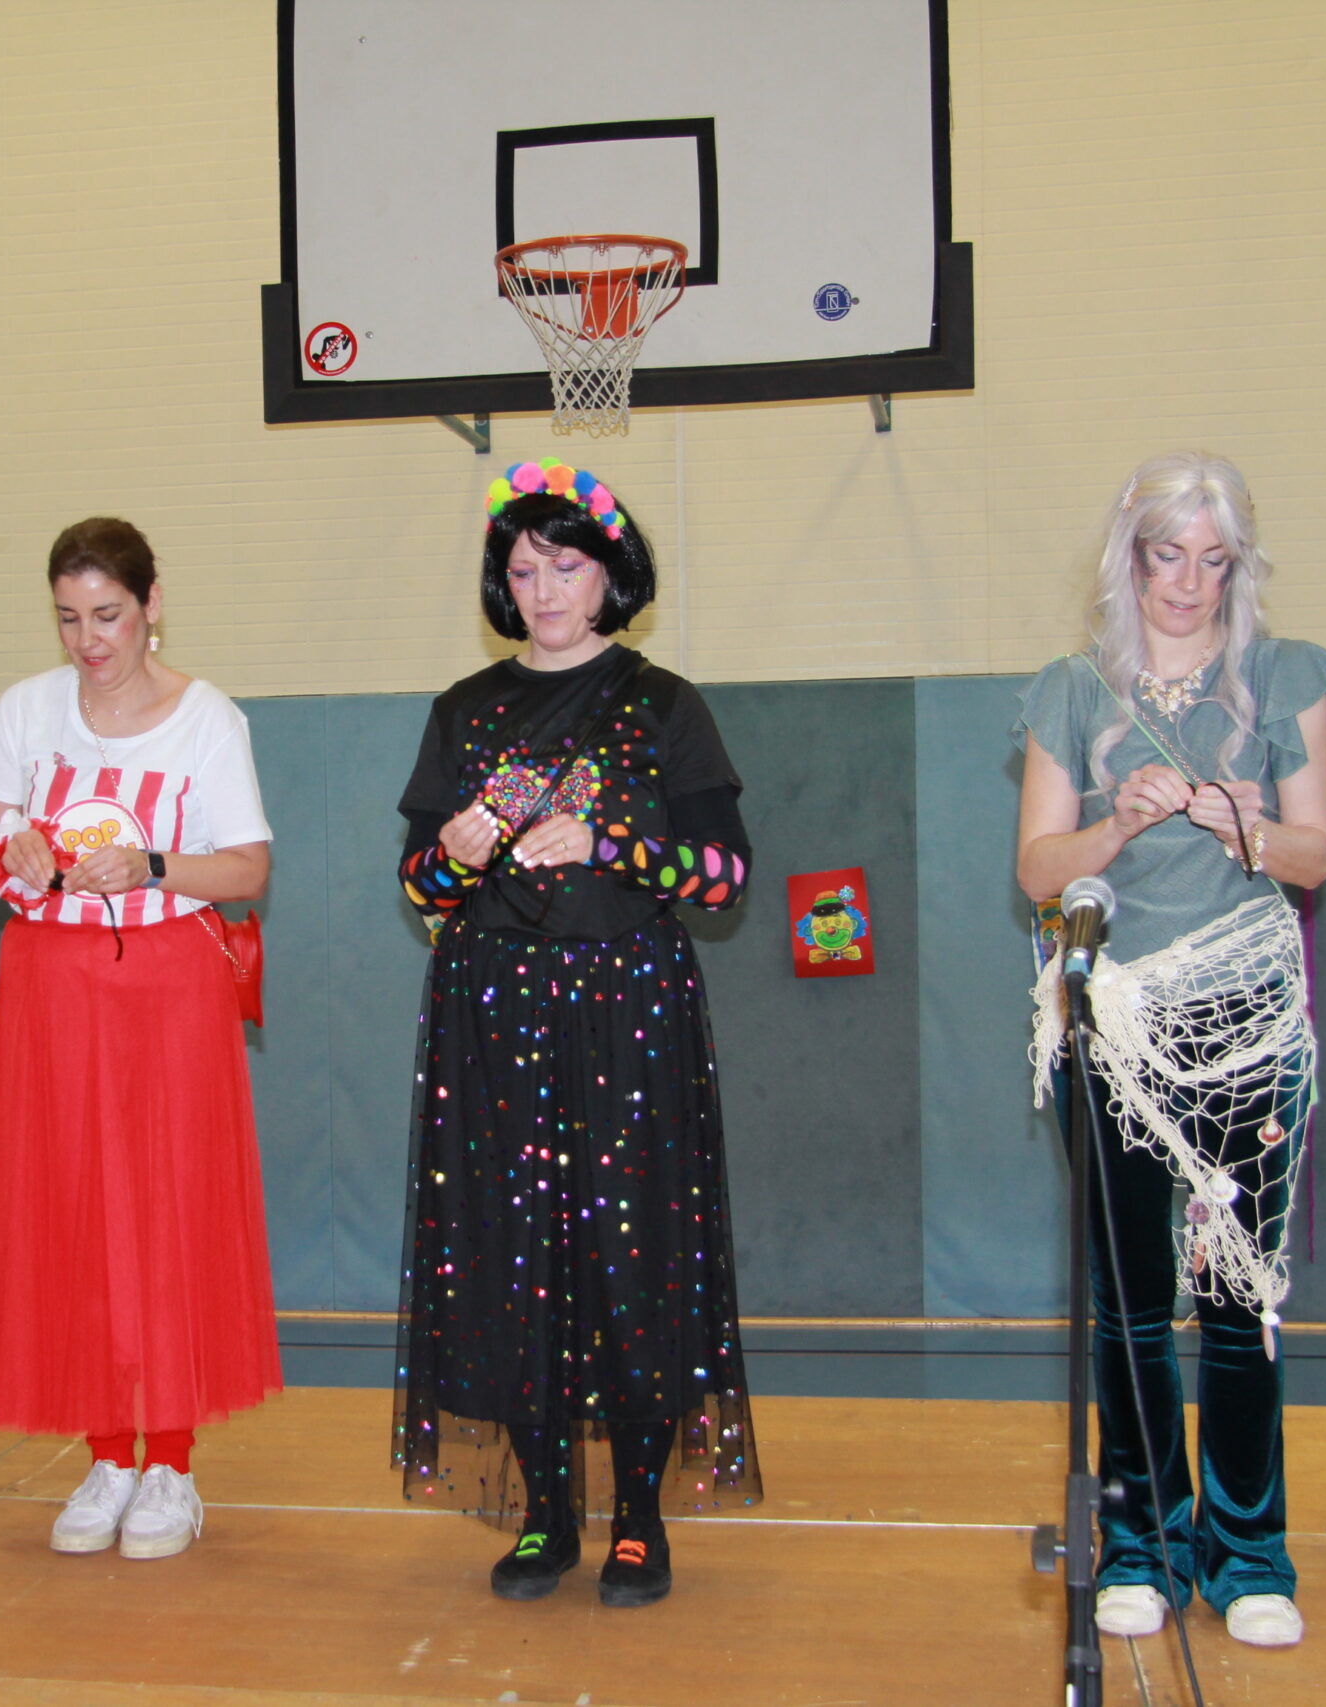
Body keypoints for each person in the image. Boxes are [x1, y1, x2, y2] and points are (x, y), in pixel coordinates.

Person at [393, 460, 758, 1609]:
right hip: (492, 1016)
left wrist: (613, 846)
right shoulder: (462, 711)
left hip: (629, 1010)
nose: (545, 590)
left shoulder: (663, 704)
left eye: (566, 566)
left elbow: (724, 879)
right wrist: (448, 858)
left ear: (610, 575)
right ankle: (547, 1515)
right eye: (522, 570)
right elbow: (417, 887)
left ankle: (638, 1517)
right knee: (512, 1263)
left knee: (631, 1260)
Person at [1015, 451, 1326, 1650]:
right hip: (1113, 1021)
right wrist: (1119, 822)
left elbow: (1316, 852)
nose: (1188, 583)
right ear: (1131, 558)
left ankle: (1248, 1555)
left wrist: (1250, 825)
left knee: (1239, 1298)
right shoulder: (1071, 690)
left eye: (1212, 560)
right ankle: (1138, 1546)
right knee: (1130, 1310)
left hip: (1247, 1019)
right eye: (1167, 556)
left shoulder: (1285, 678)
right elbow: (1038, 869)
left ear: (1236, 568)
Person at [0, 516, 278, 1562]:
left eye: (107, 615)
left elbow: (247, 868)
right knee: (73, 1211)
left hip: (169, 991)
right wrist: (18, 855)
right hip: (51, 989)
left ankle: (171, 1463)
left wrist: (151, 867)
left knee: (167, 1211)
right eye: (68, 618)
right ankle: (106, 1454)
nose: (88, 640)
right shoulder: (26, 709)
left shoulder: (207, 718)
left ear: (150, 605)